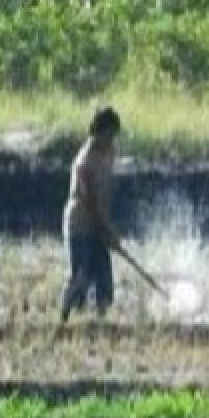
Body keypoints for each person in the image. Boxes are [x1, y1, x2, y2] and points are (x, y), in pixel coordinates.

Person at [61, 107, 123, 323]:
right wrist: (106, 228)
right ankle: (65, 316)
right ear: (98, 131)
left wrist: (107, 228)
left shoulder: (109, 154)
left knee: (104, 278)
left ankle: (101, 322)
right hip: (80, 224)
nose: (111, 140)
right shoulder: (84, 163)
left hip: (97, 223)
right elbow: (90, 201)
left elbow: (105, 192)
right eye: (108, 134)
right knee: (82, 275)